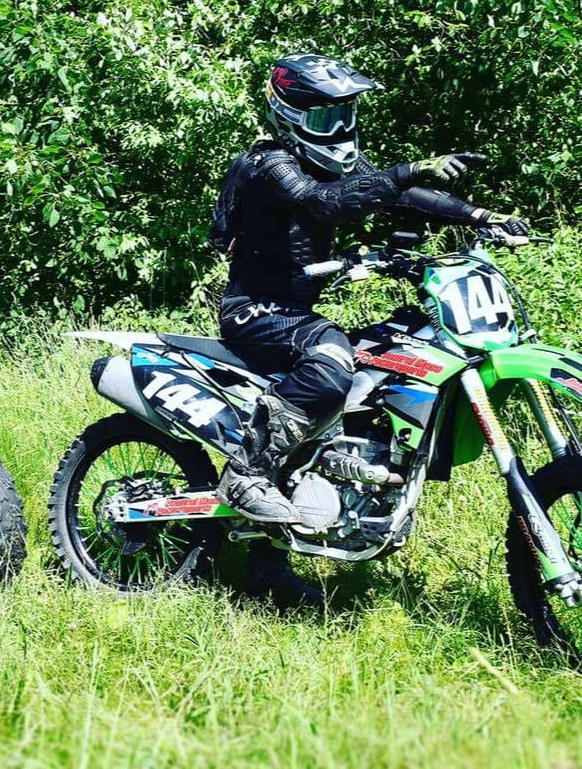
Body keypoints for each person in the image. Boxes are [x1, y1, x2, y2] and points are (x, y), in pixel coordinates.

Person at [212, 52, 528, 607]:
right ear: (289, 116)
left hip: (294, 311)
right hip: (255, 310)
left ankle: (272, 560)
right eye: (324, 117)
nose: (338, 128)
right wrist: (408, 169)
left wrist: (481, 216)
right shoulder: (269, 164)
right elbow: (323, 204)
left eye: (344, 114)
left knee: (382, 366)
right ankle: (245, 473)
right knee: (332, 359)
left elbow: (395, 194)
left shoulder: (330, 161)